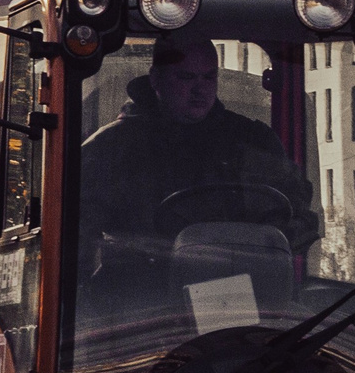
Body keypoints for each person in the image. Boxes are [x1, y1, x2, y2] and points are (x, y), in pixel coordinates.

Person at [77, 36, 321, 272]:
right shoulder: (111, 148)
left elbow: (297, 216)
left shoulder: (253, 142)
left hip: (239, 285)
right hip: (140, 290)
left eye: (209, 77)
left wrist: (267, 244)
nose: (200, 89)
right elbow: (76, 234)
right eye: (186, 77)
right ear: (156, 79)